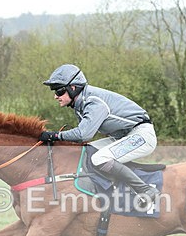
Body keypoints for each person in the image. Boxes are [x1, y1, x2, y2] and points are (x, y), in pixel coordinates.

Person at [40, 64, 158, 207]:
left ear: (73, 88)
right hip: (124, 136)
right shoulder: (80, 103)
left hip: (142, 136)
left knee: (99, 158)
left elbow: (83, 134)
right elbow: (83, 139)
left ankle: (145, 190)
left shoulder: (93, 102)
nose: (55, 96)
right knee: (87, 151)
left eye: (59, 91)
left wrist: (55, 136)